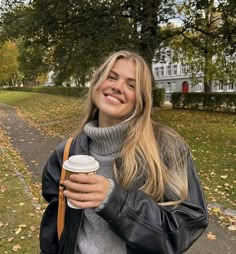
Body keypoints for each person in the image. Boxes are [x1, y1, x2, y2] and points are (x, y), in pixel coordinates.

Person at [40, 50, 208, 254]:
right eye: (111, 77)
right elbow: (55, 231)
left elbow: (184, 228)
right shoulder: (66, 154)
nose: (117, 87)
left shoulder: (167, 149)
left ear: (142, 99)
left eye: (131, 85)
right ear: (96, 83)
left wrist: (113, 201)